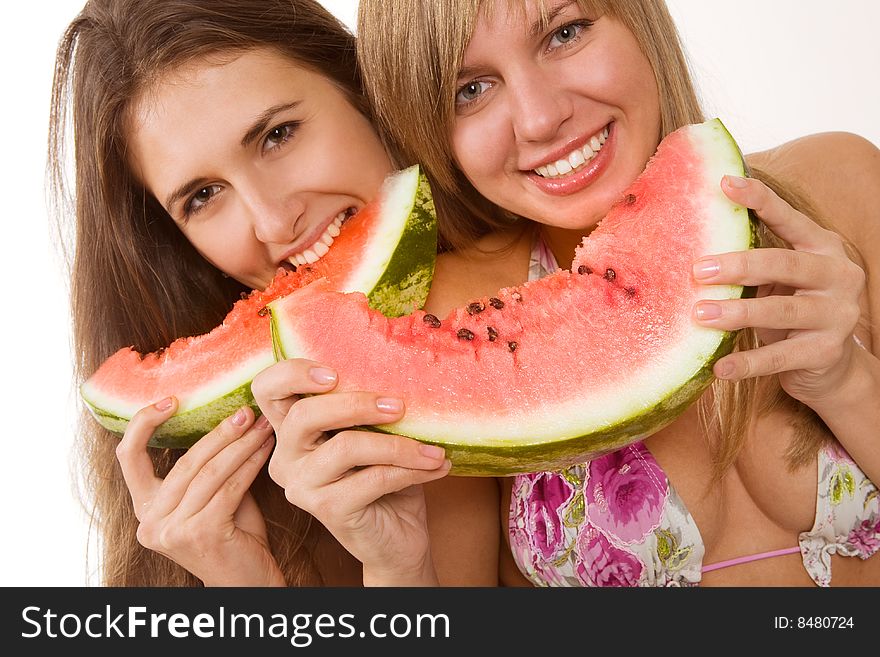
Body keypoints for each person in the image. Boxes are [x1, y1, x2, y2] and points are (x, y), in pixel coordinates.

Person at [355, 0, 880, 585]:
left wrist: (848, 383)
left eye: (564, 33)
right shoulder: (446, 316)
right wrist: (393, 566)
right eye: (470, 90)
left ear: (640, 20)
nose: (538, 119)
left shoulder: (841, 185)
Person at [49, 0, 498, 587]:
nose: (272, 223)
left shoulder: (549, 246)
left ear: (361, 88)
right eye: (204, 196)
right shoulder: (247, 501)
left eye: (277, 135)